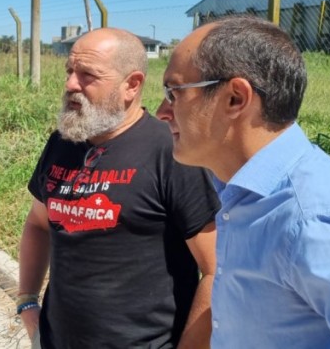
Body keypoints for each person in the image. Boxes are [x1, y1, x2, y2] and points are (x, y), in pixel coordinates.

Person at [156, 14, 330, 347]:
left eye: (173, 92)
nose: (162, 111)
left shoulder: (309, 215)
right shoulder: (242, 190)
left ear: (236, 98)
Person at [19, 28, 220, 348]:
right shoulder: (62, 142)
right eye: (70, 71)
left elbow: (216, 269)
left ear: (132, 84)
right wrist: (27, 301)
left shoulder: (169, 152)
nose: (71, 84)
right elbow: (37, 224)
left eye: (88, 75)